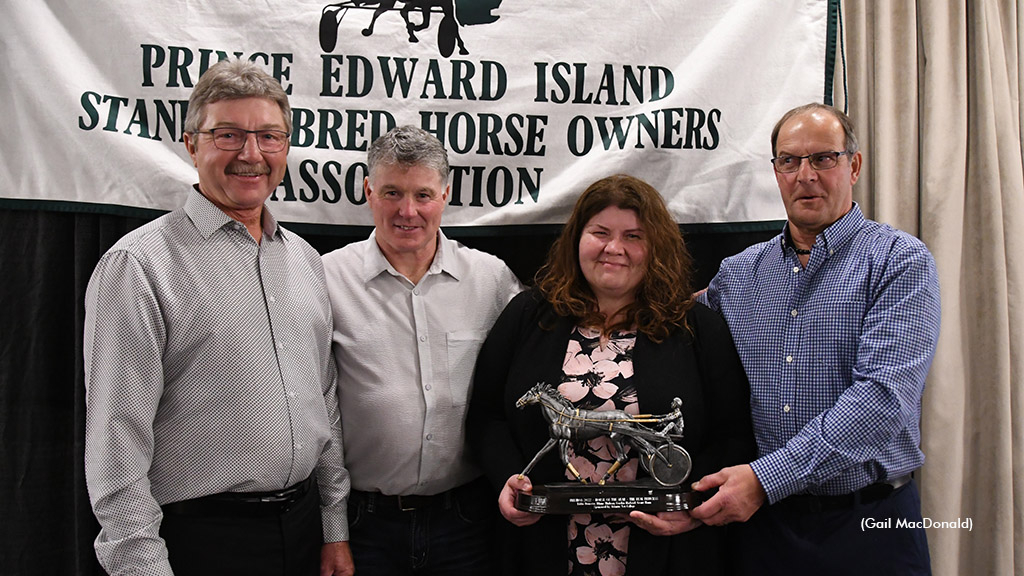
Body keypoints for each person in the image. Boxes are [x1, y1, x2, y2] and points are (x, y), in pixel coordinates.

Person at [83, 59, 352, 576]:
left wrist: (333, 528)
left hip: (301, 534)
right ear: (191, 143)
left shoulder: (305, 259)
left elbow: (325, 401)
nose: (251, 154)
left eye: (269, 136)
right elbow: (116, 448)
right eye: (228, 134)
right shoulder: (139, 265)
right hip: (199, 542)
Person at [689, 102, 941, 575]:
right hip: (763, 533)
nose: (805, 175)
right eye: (789, 160)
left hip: (871, 525)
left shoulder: (899, 262)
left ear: (854, 164)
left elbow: (882, 401)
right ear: (776, 171)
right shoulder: (738, 276)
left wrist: (766, 480)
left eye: (823, 158)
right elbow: (665, 333)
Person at [466, 174, 756, 576]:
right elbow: (486, 417)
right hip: (541, 545)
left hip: (664, 550)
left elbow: (735, 434)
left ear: (656, 247)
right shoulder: (528, 315)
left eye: (634, 236)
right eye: (599, 232)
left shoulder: (697, 328)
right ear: (577, 239)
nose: (614, 248)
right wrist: (507, 479)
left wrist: (691, 503)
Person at [322, 125, 524, 575]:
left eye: (423, 195)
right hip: (364, 523)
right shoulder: (326, 279)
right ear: (368, 190)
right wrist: (331, 527)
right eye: (392, 192)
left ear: (446, 194)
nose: (407, 211)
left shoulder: (491, 281)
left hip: (468, 520)